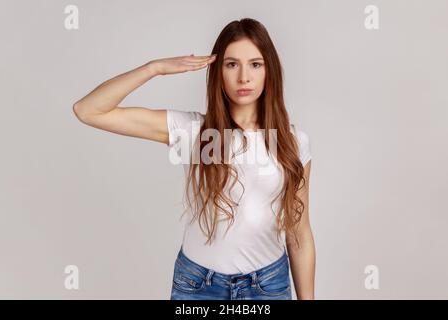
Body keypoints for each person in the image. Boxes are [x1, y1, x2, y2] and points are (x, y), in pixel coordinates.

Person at [73, 18, 315, 300]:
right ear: (218, 72)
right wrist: (155, 69)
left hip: (268, 285)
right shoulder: (193, 132)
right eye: (231, 64)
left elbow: (299, 233)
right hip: (200, 286)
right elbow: (88, 110)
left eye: (255, 64)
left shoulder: (293, 142)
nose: (244, 77)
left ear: (269, 70)